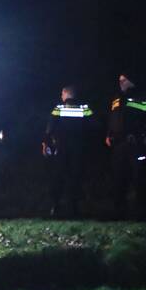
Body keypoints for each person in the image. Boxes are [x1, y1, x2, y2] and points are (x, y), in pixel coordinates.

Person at [105, 72, 146, 220]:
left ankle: (140, 212)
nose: (121, 83)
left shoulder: (144, 96)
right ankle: (118, 211)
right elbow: (112, 118)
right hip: (119, 144)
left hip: (137, 144)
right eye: (120, 80)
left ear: (132, 81)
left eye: (124, 80)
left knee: (139, 178)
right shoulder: (116, 98)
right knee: (118, 178)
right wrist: (108, 134)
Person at [42, 85, 92, 217]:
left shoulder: (59, 108)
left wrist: (46, 144)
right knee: (75, 177)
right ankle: (74, 207)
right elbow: (92, 126)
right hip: (79, 149)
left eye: (62, 94)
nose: (61, 96)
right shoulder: (84, 108)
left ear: (66, 94)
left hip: (61, 148)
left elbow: (50, 128)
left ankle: (55, 206)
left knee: (58, 177)